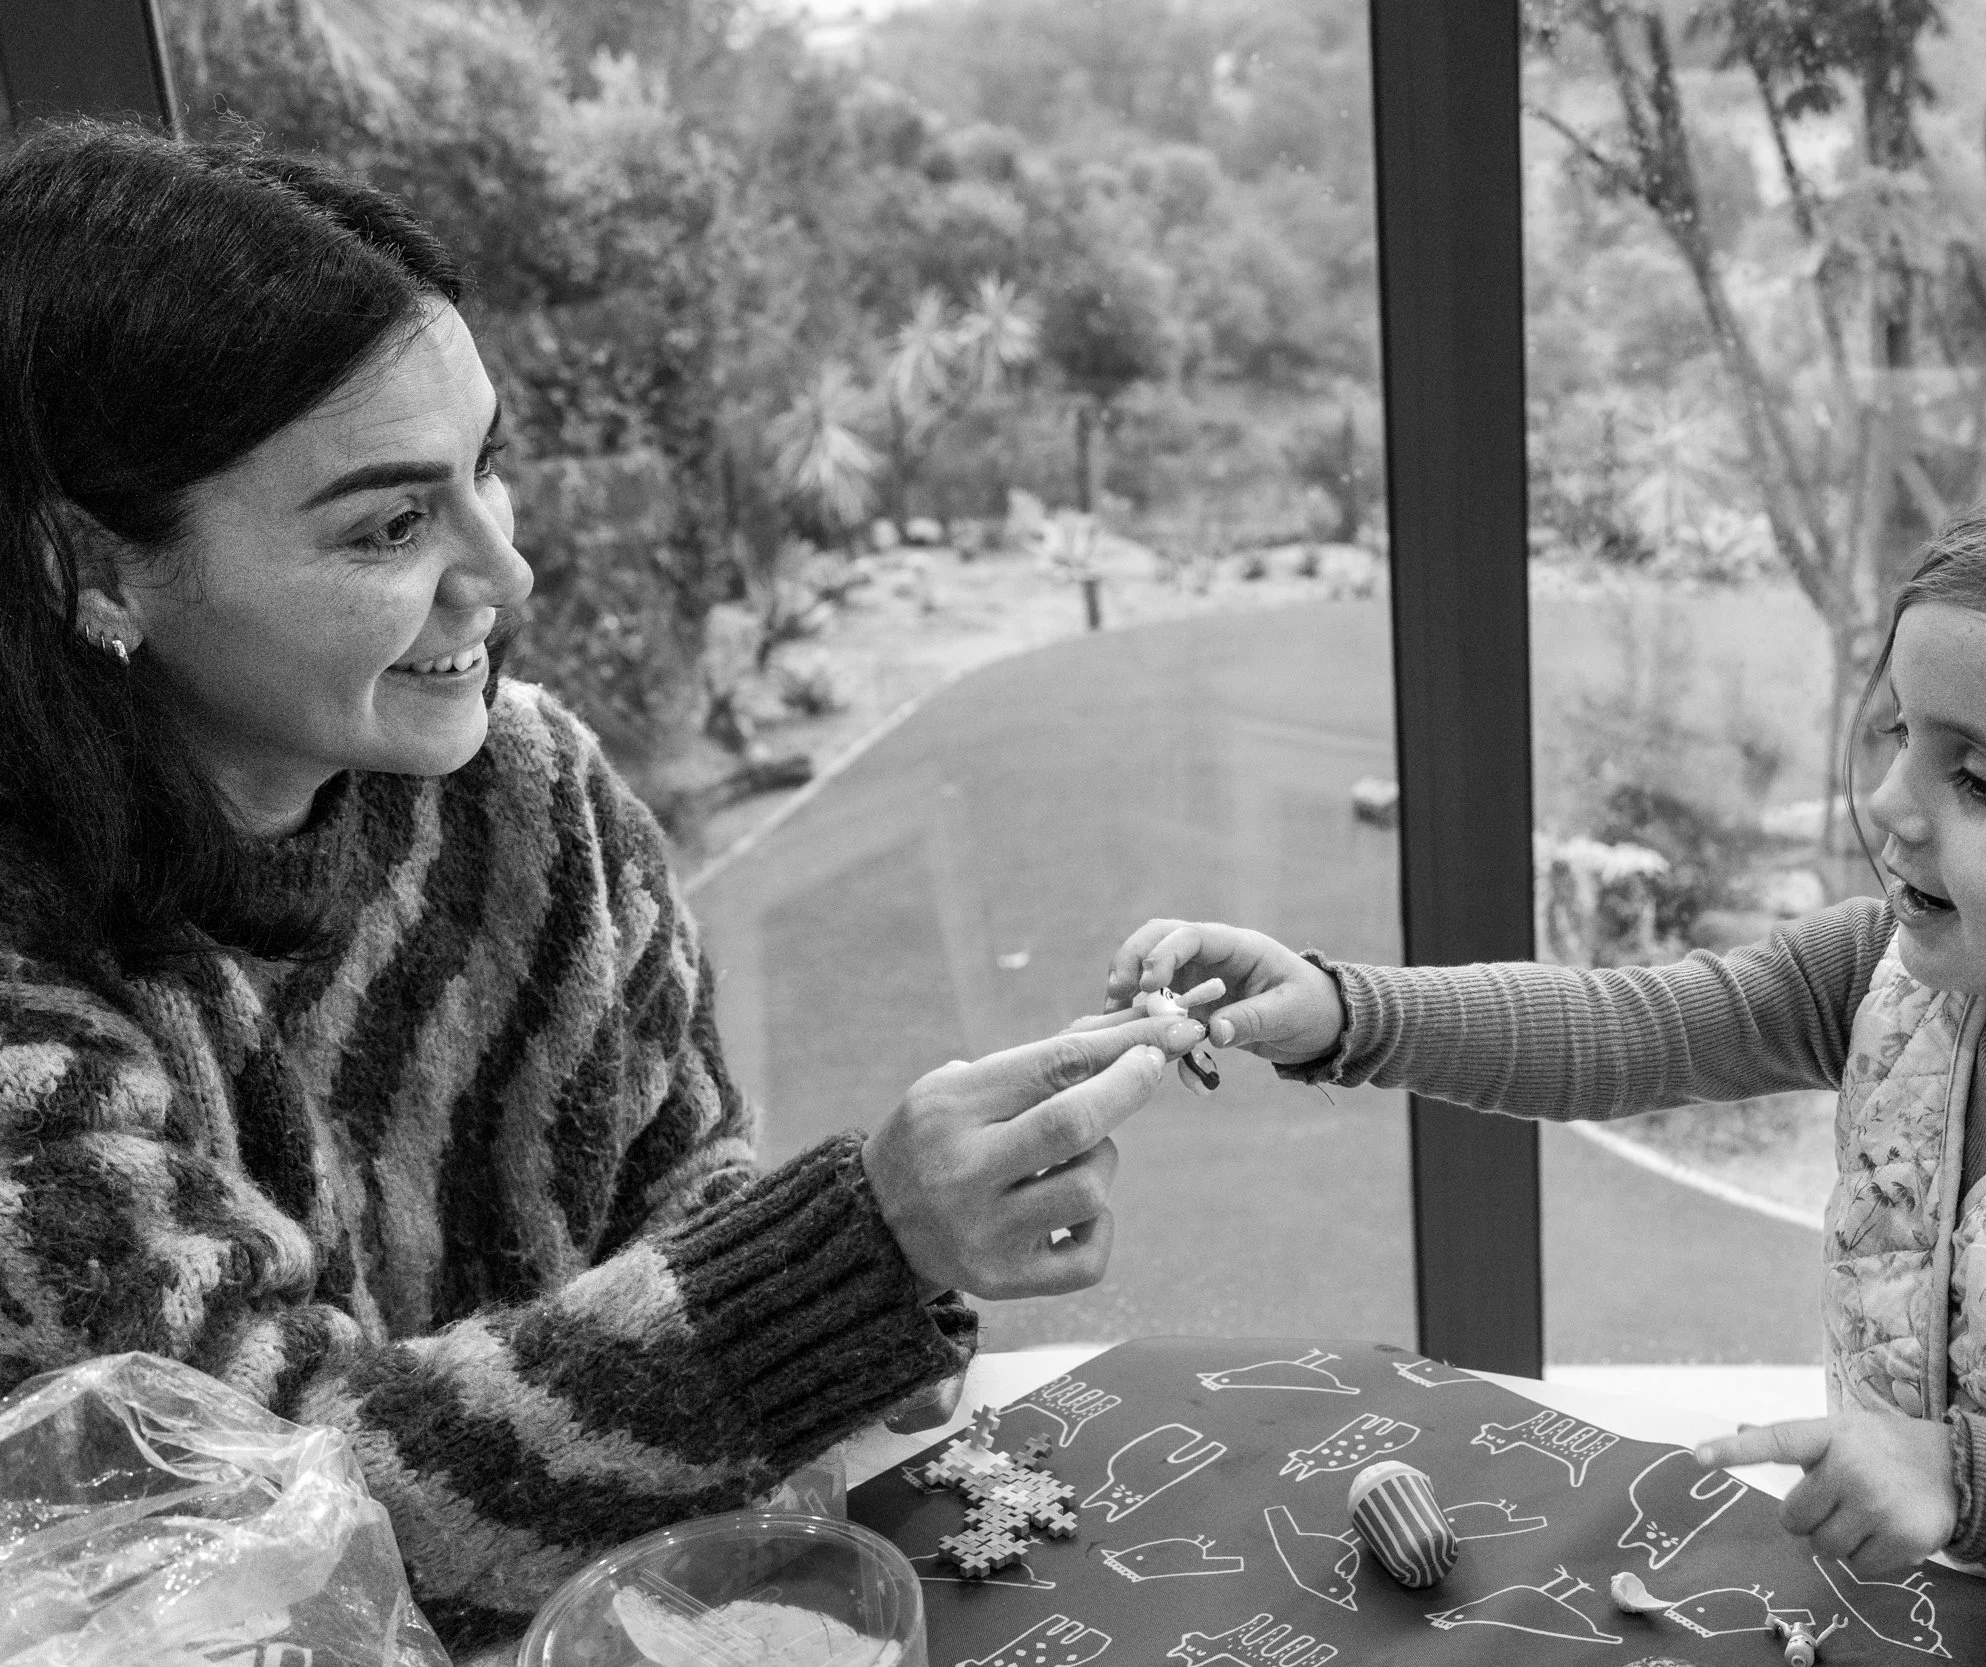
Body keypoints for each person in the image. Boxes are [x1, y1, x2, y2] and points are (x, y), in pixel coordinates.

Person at [0, 123, 1205, 1651]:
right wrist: (856, 1254)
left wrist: (889, 1250)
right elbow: (279, 1537)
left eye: (486, 468)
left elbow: (686, 1182)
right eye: (389, 523)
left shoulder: (528, 794)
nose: (505, 577)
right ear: (92, 572)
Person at [1107, 454, 1986, 1667]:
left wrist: (1967, 1481)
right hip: (1961, 1593)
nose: (1889, 805)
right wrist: (1346, 1009)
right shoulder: (1896, 973)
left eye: (1977, 781)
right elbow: (1629, 1026)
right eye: (1898, 740)